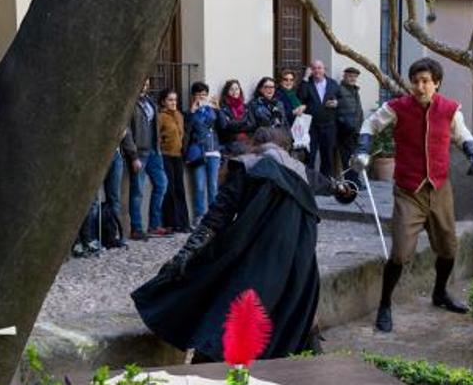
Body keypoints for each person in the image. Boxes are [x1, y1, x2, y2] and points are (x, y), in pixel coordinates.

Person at [132, 127, 334, 360]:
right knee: (292, 309)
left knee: (231, 304)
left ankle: (209, 364)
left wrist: (186, 254)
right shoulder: (303, 173)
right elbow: (335, 188)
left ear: (254, 144)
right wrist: (346, 189)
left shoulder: (246, 167)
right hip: (299, 260)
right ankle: (307, 362)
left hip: (258, 254)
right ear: (285, 147)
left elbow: (216, 218)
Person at [355, 57, 473, 334]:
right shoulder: (398, 107)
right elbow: (369, 125)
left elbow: (463, 136)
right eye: (415, 81)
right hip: (408, 191)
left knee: (449, 248)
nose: (420, 86)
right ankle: (385, 305)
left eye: (425, 81)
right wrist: (363, 148)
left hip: (439, 189)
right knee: (400, 253)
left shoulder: (450, 109)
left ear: (436, 83)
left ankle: (440, 294)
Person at [121, 78, 169, 240]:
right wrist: (133, 155)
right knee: (138, 191)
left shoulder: (149, 101)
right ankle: (136, 228)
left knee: (162, 184)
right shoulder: (130, 103)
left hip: (154, 151)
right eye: (143, 83)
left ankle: (154, 225)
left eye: (147, 84)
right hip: (139, 153)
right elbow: (125, 131)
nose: (145, 87)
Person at [185, 81, 221, 222]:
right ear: (193, 96)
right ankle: (199, 216)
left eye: (204, 94)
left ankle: (213, 216)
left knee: (213, 186)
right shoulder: (190, 112)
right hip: (198, 152)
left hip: (213, 151)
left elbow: (222, 125)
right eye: (198, 95)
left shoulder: (212, 110)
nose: (201, 97)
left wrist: (217, 109)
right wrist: (193, 112)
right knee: (199, 186)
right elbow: (188, 129)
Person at [157, 89, 190, 233]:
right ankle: (172, 222)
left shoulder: (179, 115)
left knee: (180, 189)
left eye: (175, 100)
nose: (173, 103)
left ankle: (184, 222)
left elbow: (182, 135)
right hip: (165, 155)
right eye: (170, 100)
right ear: (164, 101)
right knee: (169, 189)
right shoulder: (161, 117)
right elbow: (157, 136)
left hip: (177, 155)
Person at [334, 67, 365, 182]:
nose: (353, 79)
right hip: (345, 130)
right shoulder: (338, 89)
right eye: (350, 76)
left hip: (356, 130)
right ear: (344, 76)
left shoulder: (355, 90)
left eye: (355, 77)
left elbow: (358, 111)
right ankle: (351, 181)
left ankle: (355, 180)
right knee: (347, 157)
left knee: (355, 156)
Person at [216, 78, 256, 156]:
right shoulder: (223, 108)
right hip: (232, 142)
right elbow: (225, 127)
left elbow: (252, 125)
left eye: (237, 89)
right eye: (231, 89)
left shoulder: (246, 107)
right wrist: (244, 123)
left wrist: (234, 124)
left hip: (248, 140)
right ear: (227, 92)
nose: (235, 92)